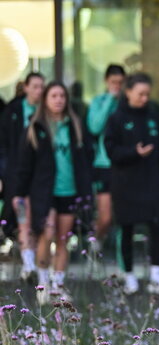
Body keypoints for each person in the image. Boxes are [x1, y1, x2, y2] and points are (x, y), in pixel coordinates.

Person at [13, 81, 93, 304]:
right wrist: (19, 194)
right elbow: (25, 164)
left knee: (62, 239)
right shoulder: (36, 127)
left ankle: (58, 284)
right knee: (45, 235)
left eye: (62, 96)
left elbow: (86, 158)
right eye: (53, 96)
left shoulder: (74, 125)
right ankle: (43, 283)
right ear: (46, 100)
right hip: (44, 192)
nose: (58, 100)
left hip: (69, 190)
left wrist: (87, 190)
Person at [104, 73, 159, 295]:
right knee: (126, 228)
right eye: (140, 94)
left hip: (152, 181)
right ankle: (129, 275)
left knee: (157, 226)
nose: (144, 98)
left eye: (147, 94)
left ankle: (156, 273)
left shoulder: (155, 115)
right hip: (126, 183)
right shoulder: (117, 118)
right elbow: (111, 150)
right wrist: (134, 152)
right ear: (128, 92)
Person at [0, 72, 45, 280]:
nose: (38, 91)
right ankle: (28, 263)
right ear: (26, 87)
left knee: (37, 218)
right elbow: (4, 144)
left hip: (40, 175)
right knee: (21, 216)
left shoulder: (46, 113)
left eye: (41, 87)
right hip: (16, 173)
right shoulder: (13, 111)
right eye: (34, 86)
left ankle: (33, 259)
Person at [86, 64, 126, 255]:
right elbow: (94, 127)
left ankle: (121, 255)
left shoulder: (128, 102)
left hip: (125, 164)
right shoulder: (99, 101)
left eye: (120, 83)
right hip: (104, 164)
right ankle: (96, 242)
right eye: (113, 83)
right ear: (106, 82)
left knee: (124, 216)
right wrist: (110, 99)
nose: (117, 86)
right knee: (105, 216)